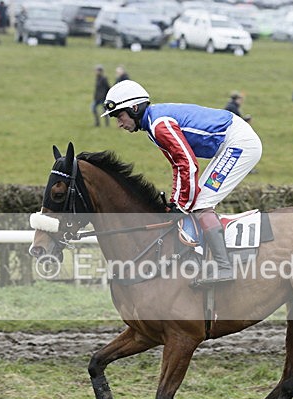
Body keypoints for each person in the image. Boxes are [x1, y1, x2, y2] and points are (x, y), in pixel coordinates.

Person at [101, 80, 262, 284]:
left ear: (134, 108)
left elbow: (188, 164)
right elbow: (178, 166)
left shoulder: (159, 125)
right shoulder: (153, 126)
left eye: (119, 115)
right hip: (231, 141)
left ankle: (224, 267)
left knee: (201, 204)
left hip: (239, 143)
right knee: (194, 203)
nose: (119, 123)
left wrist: (181, 205)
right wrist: (176, 202)